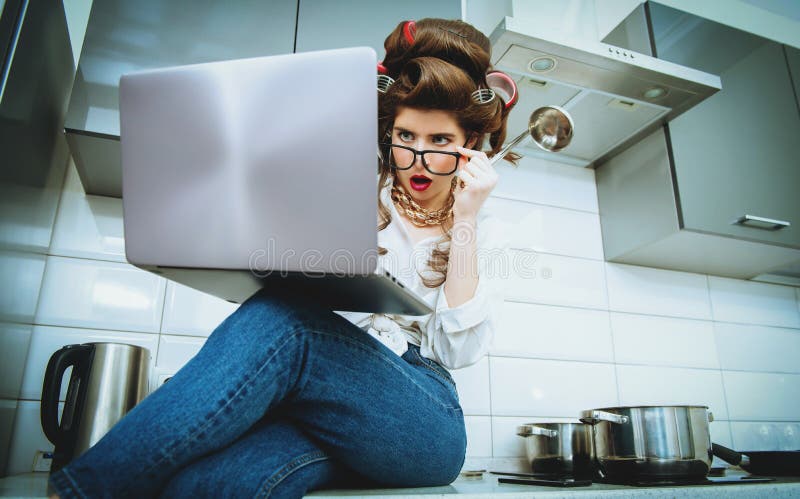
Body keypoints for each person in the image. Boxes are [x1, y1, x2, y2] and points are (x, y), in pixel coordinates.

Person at [48, 18, 516, 499]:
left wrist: (465, 219)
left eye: (439, 142)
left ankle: (79, 492)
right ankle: (353, 458)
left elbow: (455, 352)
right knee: (203, 485)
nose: (418, 159)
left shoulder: (482, 221)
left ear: (470, 146)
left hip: (423, 417)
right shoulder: (354, 187)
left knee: (286, 322)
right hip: (325, 409)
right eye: (405, 137)